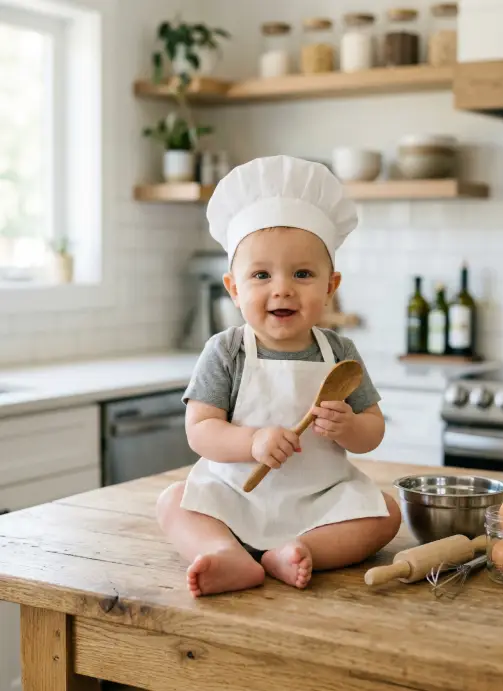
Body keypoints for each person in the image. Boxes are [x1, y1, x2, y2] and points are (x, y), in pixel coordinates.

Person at [157, 155, 401, 598]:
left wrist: (350, 427)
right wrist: (251, 442)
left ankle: (298, 550)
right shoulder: (226, 350)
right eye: (261, 275)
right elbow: (201, 431)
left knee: (386, 512)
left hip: (320, 500)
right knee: (173, 501)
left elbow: (373, 431)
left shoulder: (339, 352)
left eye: (303, 274)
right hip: (234, 496)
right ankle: (224, 550)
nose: (282, 288)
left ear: (331, 286)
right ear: (234, 288)